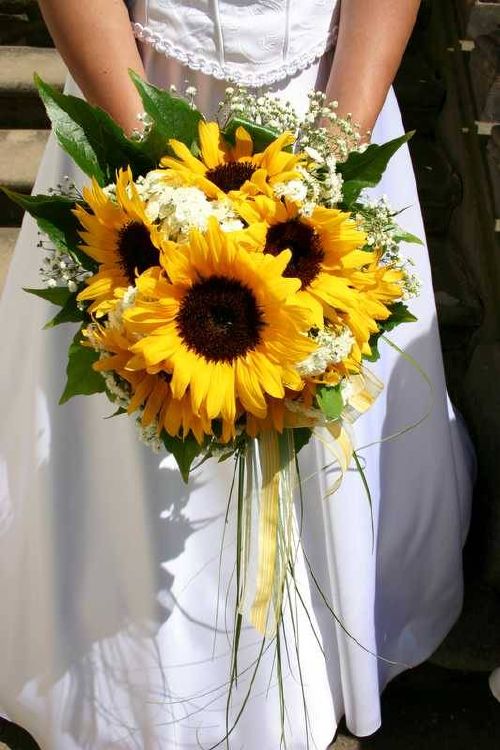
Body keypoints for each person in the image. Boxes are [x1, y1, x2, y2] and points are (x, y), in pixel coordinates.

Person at [0, 1, 474, 748]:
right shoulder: (145, 141)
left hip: (331, 102)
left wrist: (327, 171)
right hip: (139, 94)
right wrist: (158, 189)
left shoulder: (333, 139)